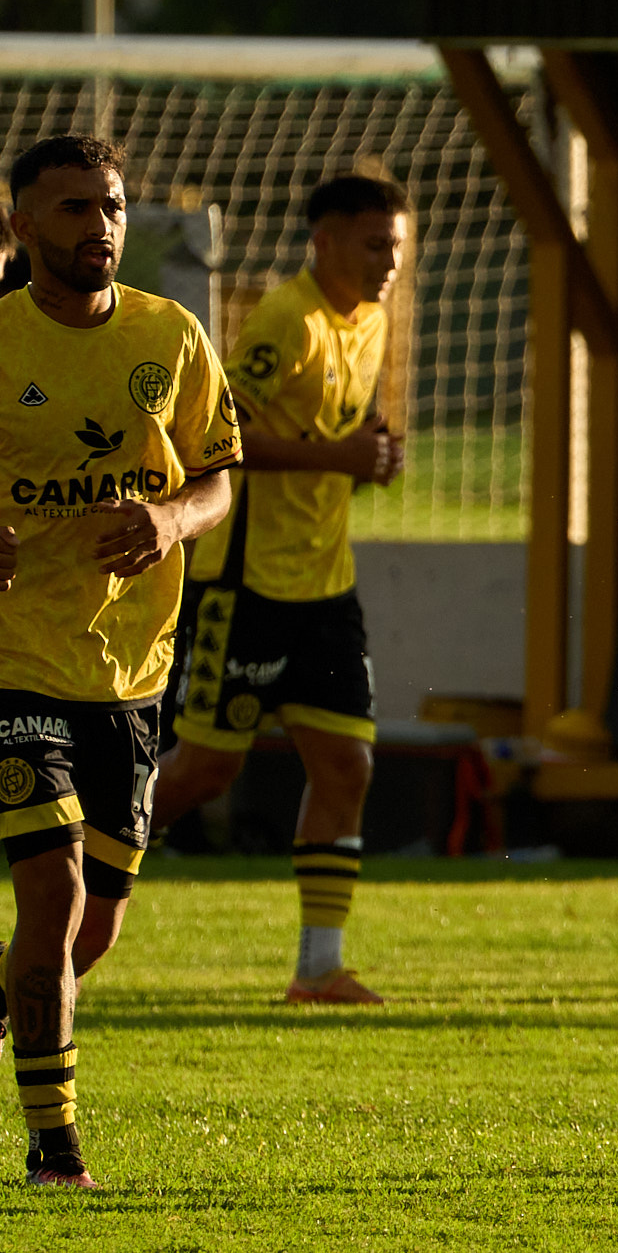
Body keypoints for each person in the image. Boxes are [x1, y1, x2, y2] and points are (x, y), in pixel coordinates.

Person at [0, 134, 241, 1187]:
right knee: (47, 894)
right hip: (15, 660)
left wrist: (169, 520)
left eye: (111, 206)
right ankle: (57, 1154)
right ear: (20, 226)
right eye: (71, 209)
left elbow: (222, 475)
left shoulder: (170, 333)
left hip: (133, 668)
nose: (98, 226)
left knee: (90, 930)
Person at [148, 174, 407, 1004]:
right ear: (323, 242)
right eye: (374, 245)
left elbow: (333, 436)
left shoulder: (370, 319)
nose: (389, 262)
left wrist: (369, 453)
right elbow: (216, 442)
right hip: (247, 585)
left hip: (327, 583)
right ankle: (65, 879)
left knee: (346, 765)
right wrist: (340, 459)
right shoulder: (281, 323)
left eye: (397, 246)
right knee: (200, 776)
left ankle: (318, 968)